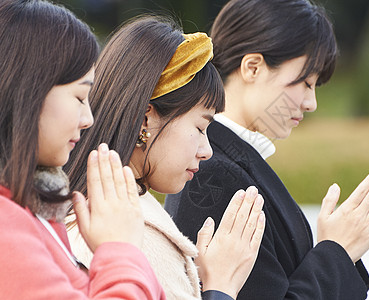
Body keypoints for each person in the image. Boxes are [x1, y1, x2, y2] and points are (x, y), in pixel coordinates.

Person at [165, 0, 369, 299]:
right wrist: (336, 252)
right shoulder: (214, 174)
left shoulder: (229, 162)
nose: (311, 103)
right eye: (303, 83)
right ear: (253, 67)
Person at [64, 16, 265, 300]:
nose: (206, 150)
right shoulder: (133, 234)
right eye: (199, 127)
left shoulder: (85, 210)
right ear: (146, 119)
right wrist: (221, 288)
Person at [0, 0, 165, 299]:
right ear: (27, 92)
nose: (88, 119)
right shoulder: (6, 226)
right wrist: (120, 250)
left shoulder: (33, 209)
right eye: (79, 97)